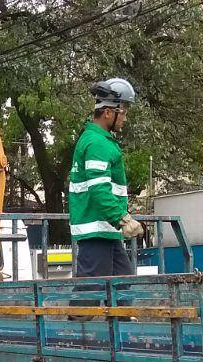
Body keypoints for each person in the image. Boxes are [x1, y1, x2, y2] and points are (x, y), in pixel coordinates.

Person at [68, 77, 144, 278]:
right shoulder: (97, 144)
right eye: (123, 113)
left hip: (105, 230)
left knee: (123, 287)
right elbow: (99, 188)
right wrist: (123, 219)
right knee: (91, 293)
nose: (125, 119)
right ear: (108, 112)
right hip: (96, 230)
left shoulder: (100, 141)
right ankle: (77, 312)